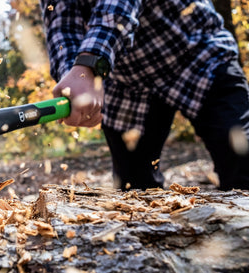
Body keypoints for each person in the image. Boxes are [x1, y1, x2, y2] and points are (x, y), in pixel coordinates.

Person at [39, 0, 249, 190]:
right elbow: (62, 23)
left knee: (241, 158)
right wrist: (74, 78)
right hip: (128, 86)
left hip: (198, 53)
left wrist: (90, 64)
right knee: (134, 190)